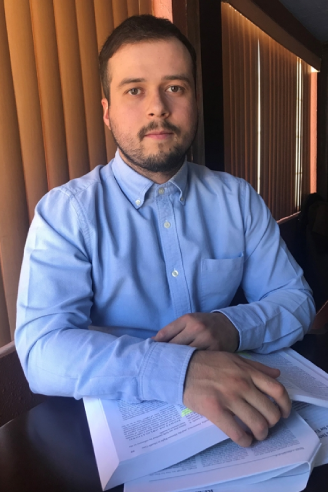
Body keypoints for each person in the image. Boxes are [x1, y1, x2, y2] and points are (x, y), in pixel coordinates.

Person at [15, 15, 315, 448]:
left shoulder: (237, 198)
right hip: (119, 434)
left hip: (239, 413)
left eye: (175, 87)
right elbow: (41, 350)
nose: (158, 107)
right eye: (134, 90)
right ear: (107, 111)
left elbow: (297, 299)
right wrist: (180, 370)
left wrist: (232, 325)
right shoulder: (66, 213)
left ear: (193, 100)